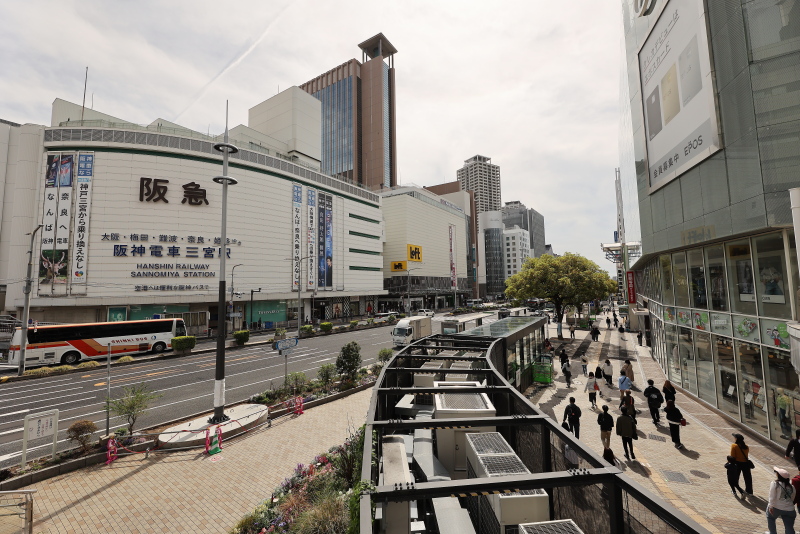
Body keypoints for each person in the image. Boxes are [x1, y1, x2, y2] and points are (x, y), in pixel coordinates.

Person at [766, 466, 796, 534]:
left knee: (770, 518)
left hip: (776, 507)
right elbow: (792, 498)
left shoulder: (775, 483)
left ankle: (772, 532)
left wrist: (770, 506)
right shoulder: (792, 487)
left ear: (778, 475)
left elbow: (772, 496)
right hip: (790, 509)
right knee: (789, 527)